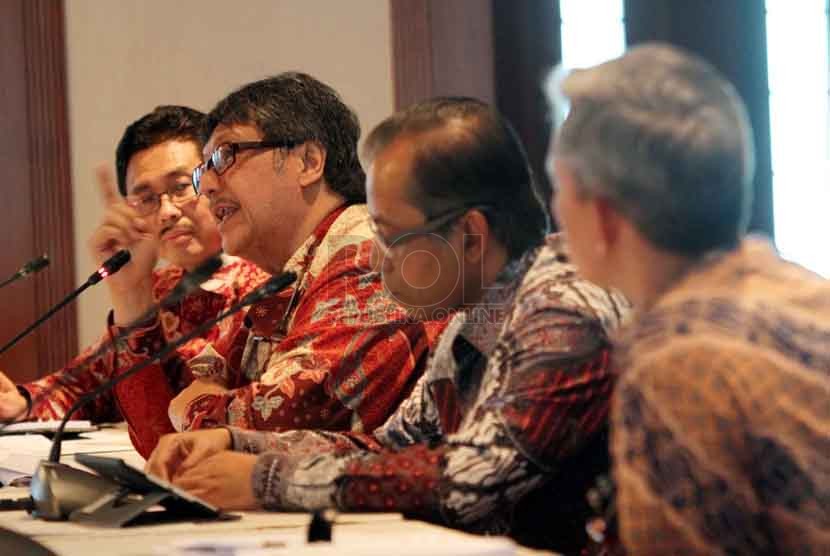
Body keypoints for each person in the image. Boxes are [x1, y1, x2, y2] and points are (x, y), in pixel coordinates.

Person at [146, 97, 629, 554]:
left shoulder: (563, 311)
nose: (375, 259)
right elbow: (389, 447)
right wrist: (238, 443)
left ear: (470, 234)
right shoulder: (477, 311)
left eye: (390, 234)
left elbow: (470, 480)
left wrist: (264, 479)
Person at [547, 43, 830, 555]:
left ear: (605, 217)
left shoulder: (675, 362)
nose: (554, 209)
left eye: (561, 187)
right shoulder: (806, 292)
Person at [125, 74, 442, 444]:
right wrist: (132, 302)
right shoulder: (281, 280)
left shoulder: (368, 258)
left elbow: (283, 420)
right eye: (203, 171)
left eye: (225, 156)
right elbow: (164, 439)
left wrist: (197, 403)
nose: (208, 186)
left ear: (307, 161)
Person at [0, 106, 268, 457]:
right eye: (146, 199)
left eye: (181, 187)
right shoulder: (160, 285)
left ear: (217, 178)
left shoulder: (272, 282)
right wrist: (20, 401)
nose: (168, 212)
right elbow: (85, 383)